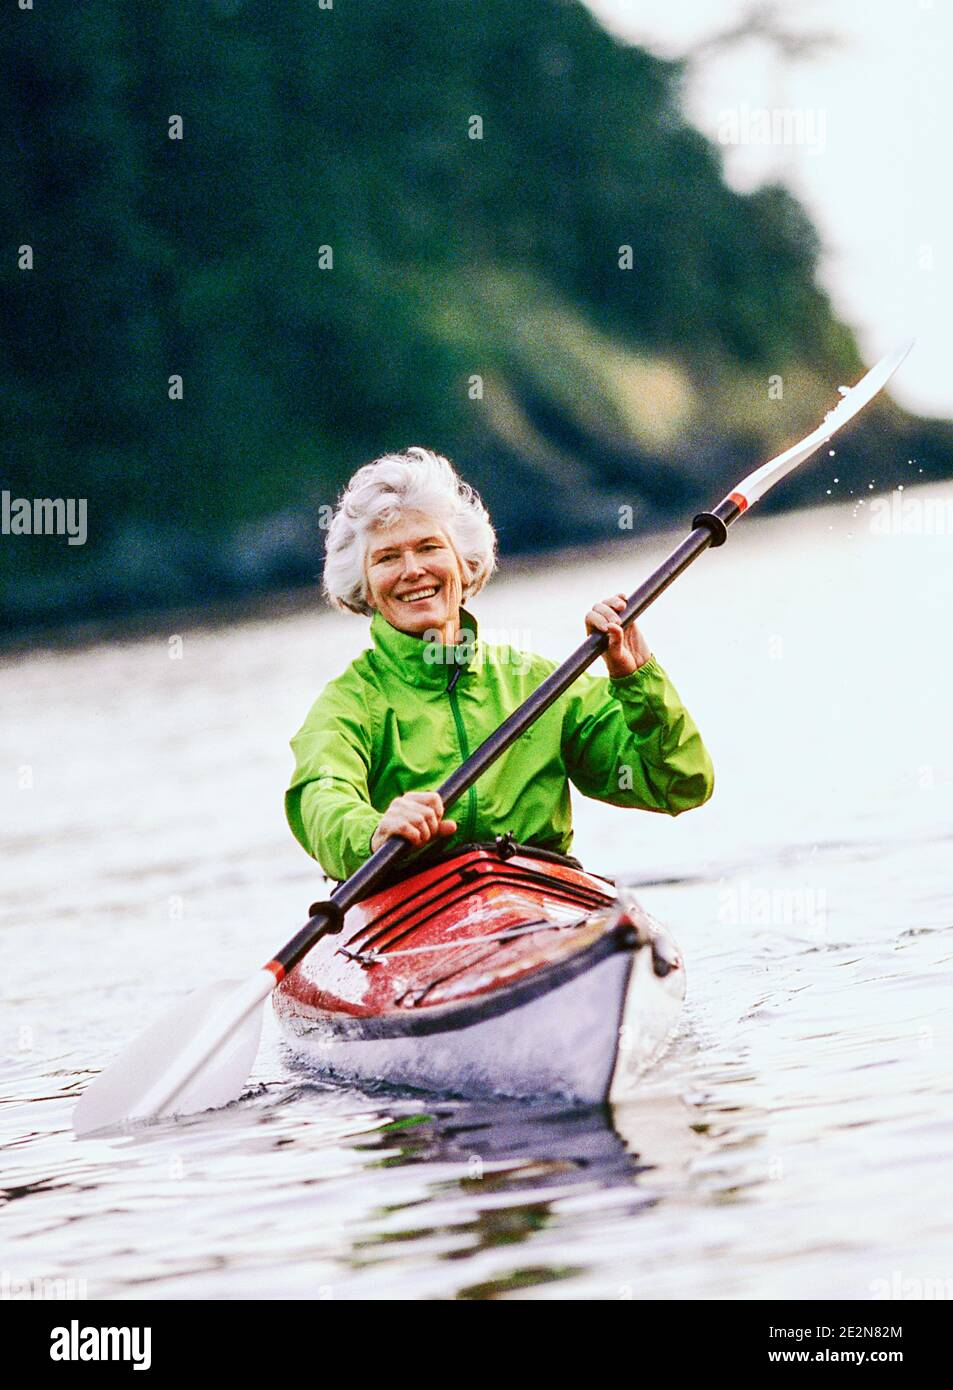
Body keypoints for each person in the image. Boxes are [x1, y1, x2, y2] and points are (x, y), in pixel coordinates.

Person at [286, 447, 714, 881]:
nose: (412, 570)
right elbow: (320, 798)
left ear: (463, 562)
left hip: (541, 895)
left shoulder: (543, 686)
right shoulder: (347, 704)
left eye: (429, 546)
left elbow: (680, 784)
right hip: (408, 904)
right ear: (365, 586)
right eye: (387, 557)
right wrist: (373, 833)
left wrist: (634, 677)